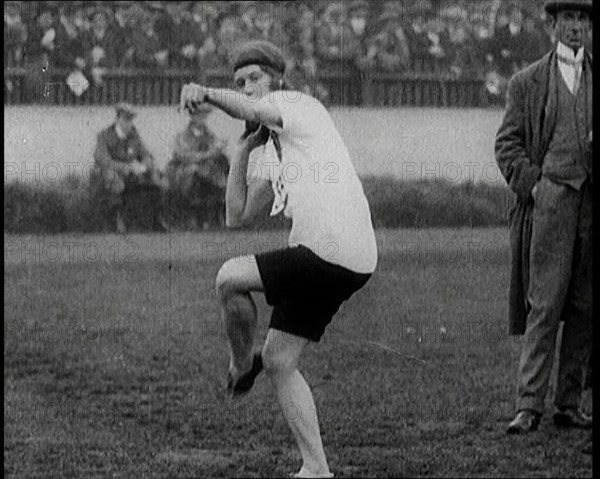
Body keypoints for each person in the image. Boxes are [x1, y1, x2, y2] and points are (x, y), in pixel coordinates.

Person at [180, 40, 378, 478]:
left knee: (229, 277)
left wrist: (207, 92)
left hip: (333, 248)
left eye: (256, 78)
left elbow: (252, 110)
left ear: (277, 80)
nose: (248, 87)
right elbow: (238, 216)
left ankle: (238, 364)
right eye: (240, 82)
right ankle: (315, 468)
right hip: (342, 259)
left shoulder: (298, 105)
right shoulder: (271, 149)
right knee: (280, 360)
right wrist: (241, 153)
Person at [495, 0, 592, 434]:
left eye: (584, 18)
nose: (577, 27)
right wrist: (534, 185)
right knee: (545, 304)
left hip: (592, 205)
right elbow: (507, 144)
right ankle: (529, 405)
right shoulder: (527, 81)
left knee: (587, 306)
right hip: (550, 202)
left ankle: (568, 404)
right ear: (552, 24)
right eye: (569, 18)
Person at [91, 102, 168, 233]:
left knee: (156, 176)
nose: (128, 123)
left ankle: (157, 219)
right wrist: (126, 167)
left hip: (131, 174)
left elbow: (145, 154)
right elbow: (102, 159)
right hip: (111, 174)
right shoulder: (104, 135)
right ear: (117, 119)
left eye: (130, 120)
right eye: (125, 119)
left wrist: (145, 165)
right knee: (114, 179)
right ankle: (117, 221)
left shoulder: (134, 136)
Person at [166, 103, 229, 229]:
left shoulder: (208, 134)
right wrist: (208, 154)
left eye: (204, 116)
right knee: (197, 175)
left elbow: (215, 147)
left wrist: (218, 148)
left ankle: (217, 215)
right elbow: (186, 156)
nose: (202, 119)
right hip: (188, 172)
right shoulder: (184, 136)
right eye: (199, 115)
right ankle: (196, 218)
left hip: (207, 170)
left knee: (221, 170)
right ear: (193, 117)